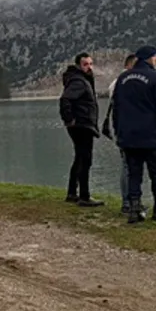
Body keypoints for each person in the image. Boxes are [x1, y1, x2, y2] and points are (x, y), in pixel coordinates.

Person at [112, 45, 156, 224]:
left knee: (133, 174)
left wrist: (118, 133)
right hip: (151, 135)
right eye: (155, 57)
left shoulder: (122, 79)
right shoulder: (155, 78)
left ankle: (133, 209)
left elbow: (117, 109)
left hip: (128, 136)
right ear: (148, 58)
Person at [59, 52, 103, 207]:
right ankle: (84, 196)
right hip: (81, 125)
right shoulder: (78, 81)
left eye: (91, 64)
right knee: (86, 160)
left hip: (83, 124)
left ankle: (72, 192)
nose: (89, 67)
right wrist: (69, 119)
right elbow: (65, 99)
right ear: (79, 65)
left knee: (79, 158)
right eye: (86, 64)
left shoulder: (82, 79)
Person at [101, 54, 138, 214]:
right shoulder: (125, 82)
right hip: (129, 129)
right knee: (129, 166)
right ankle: (129, 202)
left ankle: (128, 202)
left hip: (120, 129)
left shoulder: (115, 83)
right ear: (130, 65)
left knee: (127, 165)